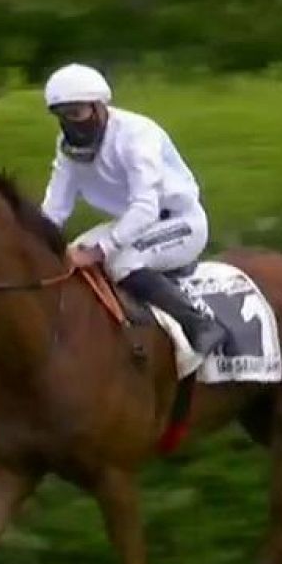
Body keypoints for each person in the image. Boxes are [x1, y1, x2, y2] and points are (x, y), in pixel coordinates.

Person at [38, 62, 228, 356]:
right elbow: (55, 208)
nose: (70, 125)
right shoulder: (66, 147)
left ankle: (200, 325)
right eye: (62, 117)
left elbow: (145, 207)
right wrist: (35, 241)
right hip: (134, 224)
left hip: (179, 221)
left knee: (120, 262)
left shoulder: (137, 134)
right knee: (70, 254)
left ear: (99, 107)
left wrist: (99, 251)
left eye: (76, 114)